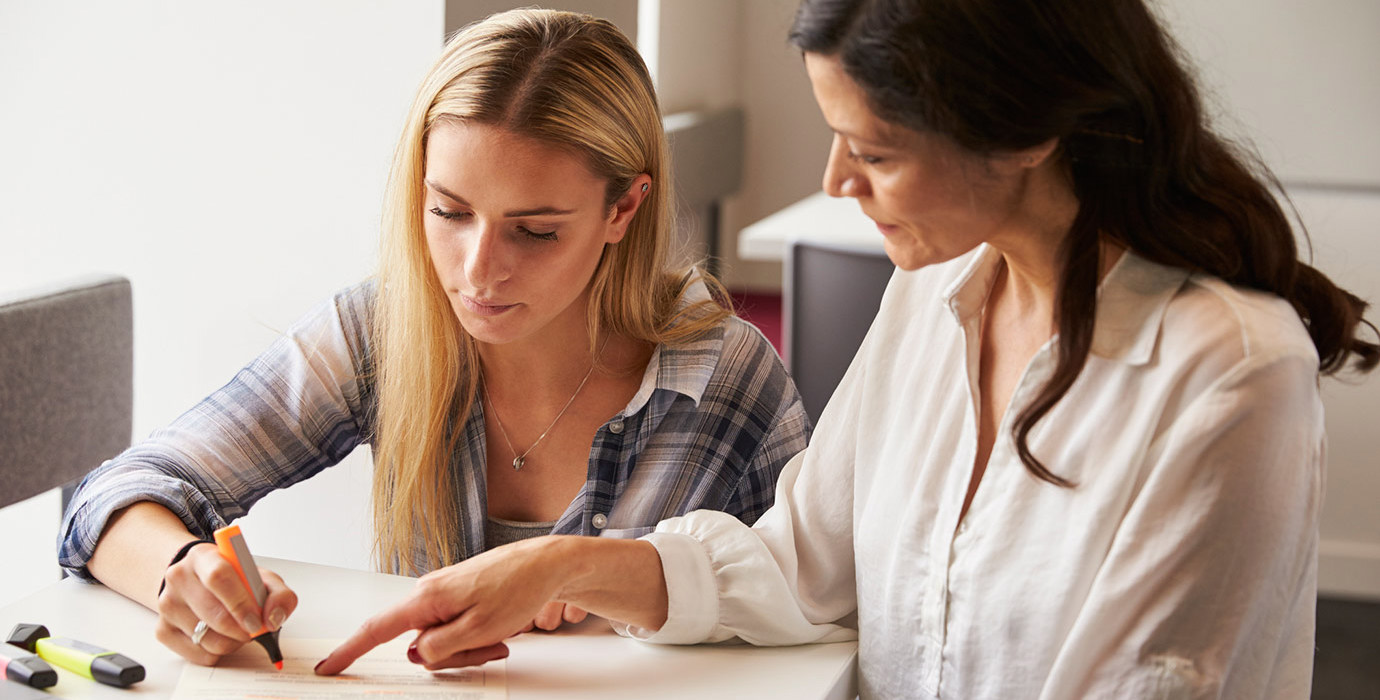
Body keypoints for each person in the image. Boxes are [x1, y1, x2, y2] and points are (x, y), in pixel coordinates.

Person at [314, 0, 1380, 696]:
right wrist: (561, 566)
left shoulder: (1228, 371)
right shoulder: (932, 298)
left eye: (874, 149)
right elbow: (802, 567)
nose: (835, 181)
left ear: (1026, 136)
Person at [57, 8, 809, 668]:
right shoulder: (382, 329)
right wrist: (181, 572)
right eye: (449, 212)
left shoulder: (724, 376)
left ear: (624, 210)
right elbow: (116, 495)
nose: (477, 272)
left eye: (536, 231)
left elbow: (826, 610)